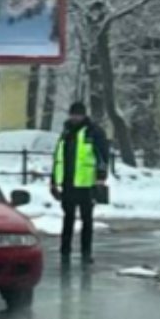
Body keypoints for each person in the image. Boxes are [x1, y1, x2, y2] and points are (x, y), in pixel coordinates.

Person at [50, 100, 111, 263]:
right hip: (68, 182)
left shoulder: (93, 132)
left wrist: (100, 177)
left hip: (87, 184)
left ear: (84, 115)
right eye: (73, 115)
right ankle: (65, 250)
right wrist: (53, 181)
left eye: (78, 115)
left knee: (87, 219)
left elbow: (102, 156)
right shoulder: (66, 132)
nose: (75, 118)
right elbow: (58, 158)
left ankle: (86, 251)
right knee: (67, 217)